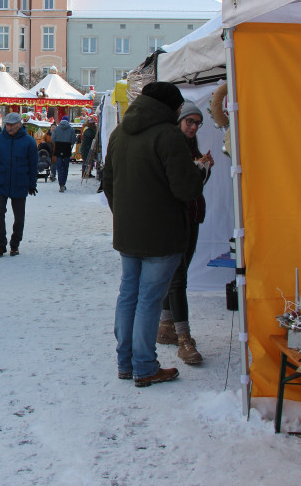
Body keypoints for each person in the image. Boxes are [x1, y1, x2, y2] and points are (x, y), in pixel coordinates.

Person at [102, 82, 206, 387]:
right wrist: (199, 172)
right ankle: (145, 366)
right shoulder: (169, 135)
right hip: (162, 235)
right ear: (170, 107)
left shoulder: (120, 133)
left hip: (129, 232)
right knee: (148, 300)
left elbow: (108, 182)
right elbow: (186, 188)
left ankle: (126, 363)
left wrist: (124, 215)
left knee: (129, 295)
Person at [158, 101, 214, 365]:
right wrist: (199, 170)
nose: (193, 127)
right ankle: (183, 338)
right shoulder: (173, 146)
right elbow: (178, 183)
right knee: (178, 277)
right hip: (176, 218)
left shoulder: (191, 148)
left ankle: (166, 326)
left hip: (192, 215)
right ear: (179, 122)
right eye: (189, 121)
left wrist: (205, 169)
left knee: (177, 274)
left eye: (197, 123)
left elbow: (195, 186)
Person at [0, 113, 38, 257]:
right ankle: (1, 245)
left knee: (19, 217)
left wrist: (32, 184)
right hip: (0, 182)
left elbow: (33, 164)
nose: (9, 128)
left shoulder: (29, 141)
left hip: (20, 182)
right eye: (7, 125)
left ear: (19, 125)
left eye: (12, 125)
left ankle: (15, 244)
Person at [51, 115, 76, 192]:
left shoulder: (56, 129)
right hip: (67, 149)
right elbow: (73, 140)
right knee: (65, 167)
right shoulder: (71, 129)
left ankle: (60, 183)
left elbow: (52, 139)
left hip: (58, 148)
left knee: (59, 167)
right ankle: (63, 183)